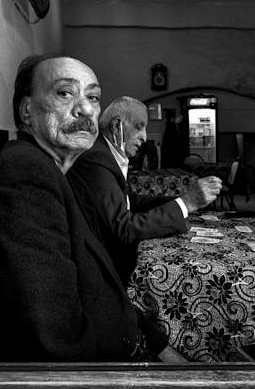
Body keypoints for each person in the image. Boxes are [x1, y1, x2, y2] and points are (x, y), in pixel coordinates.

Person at [0, 55, 170, 362]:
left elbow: (95, 286)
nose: (86, 109)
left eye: (93, 96)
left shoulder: (52, 172)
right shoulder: (23, 176)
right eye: (65, 93)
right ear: (26, 110)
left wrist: (156, 343)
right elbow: (54, 344)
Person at [68, 96, 222, 286]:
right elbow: (124, 229)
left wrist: (182, 201)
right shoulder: (96, 160)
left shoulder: (103, 153)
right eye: (139, 126)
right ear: (117, 126)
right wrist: (187, 203)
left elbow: (129, 200)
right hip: (105, 271)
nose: (145, 137)